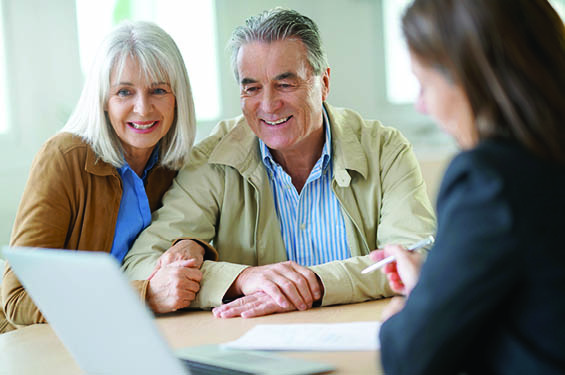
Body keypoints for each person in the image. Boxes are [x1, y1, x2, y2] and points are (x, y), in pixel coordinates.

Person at [122, 7, 436, 319]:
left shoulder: (385, 150)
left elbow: (414, 257)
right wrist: (241, 279)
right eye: (252, 88)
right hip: (255, 346)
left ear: (323, 83)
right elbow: (140, 265)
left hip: (367, 336)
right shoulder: (212, 159)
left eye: (285, 84)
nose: (269, 105)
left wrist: (315, 283)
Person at [370, 0, 565, 373]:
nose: (421, 105)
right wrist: (439, 280)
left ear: (469, 76)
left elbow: (410, 357)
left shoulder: (488, 179)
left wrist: (409, 313)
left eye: (424, 84)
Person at [0, 21, 215, 334]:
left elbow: (182, 234)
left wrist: (191, 245)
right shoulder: (64, 158)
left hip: (131, 334)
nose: (142, 109)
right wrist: (145, 296)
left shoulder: (174, 165)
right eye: (124, 92)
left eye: (158, 90)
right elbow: (17, 298)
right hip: (45, 344)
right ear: (103, 98)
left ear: (177, 97)